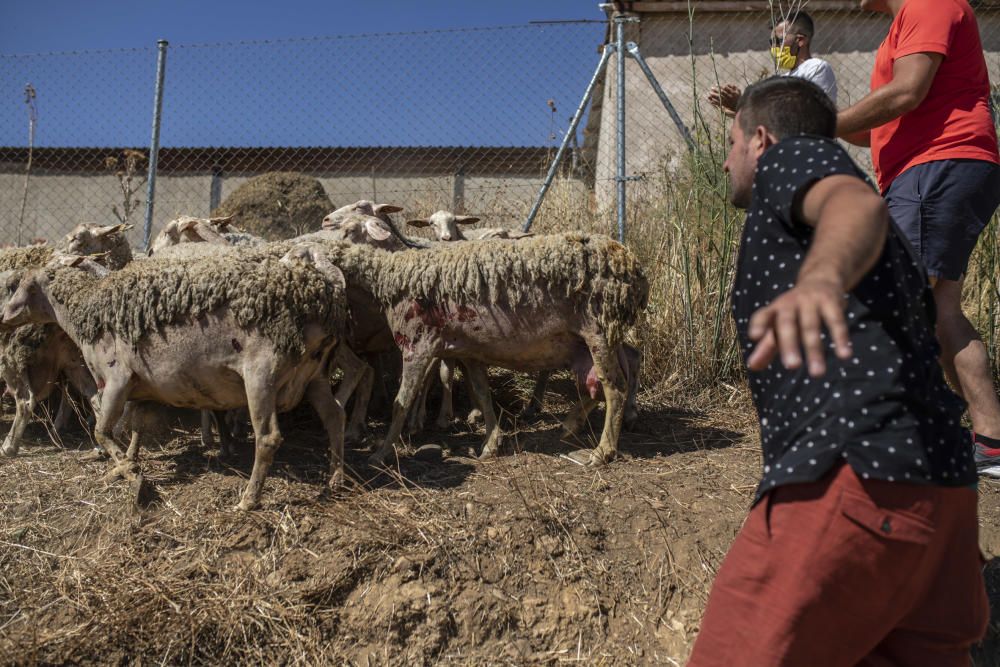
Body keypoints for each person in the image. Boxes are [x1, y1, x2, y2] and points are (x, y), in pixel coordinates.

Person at [687, 76, 987, 666]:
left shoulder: (795, 156)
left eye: (730, 143)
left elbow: (854, 204)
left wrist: (821, 278)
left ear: (761, 140)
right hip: (944, 503)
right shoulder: (895, 253)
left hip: (855, 479)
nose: (724, 163)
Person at [836, 0, 1000, 478]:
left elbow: (906, 92)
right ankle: (989, 440)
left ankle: (901, 435)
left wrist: (821, 122)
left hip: (937, 163)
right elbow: (877, 127)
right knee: (940, 310)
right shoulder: (900, 29)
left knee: (900, 302)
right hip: (928, 170)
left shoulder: (929, 2)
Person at [707, 11, 837, 116]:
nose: (774, 48)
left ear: (800, 40)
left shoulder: (816, 68)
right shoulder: (783, 78)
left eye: (778, 41)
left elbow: (808, 119)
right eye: (771, 43)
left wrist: (742, 105)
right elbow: (775, 124)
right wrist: (738, 112)